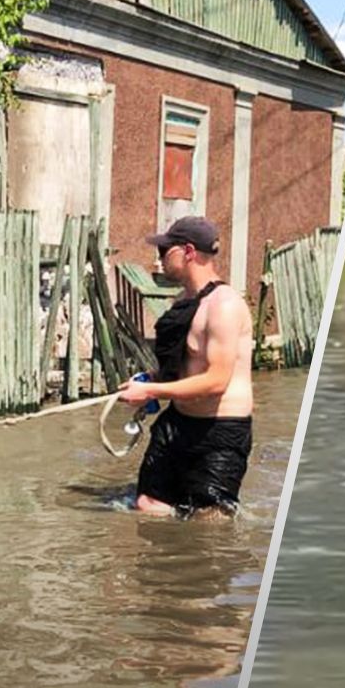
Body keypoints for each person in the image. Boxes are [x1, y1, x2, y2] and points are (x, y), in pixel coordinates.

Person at [116, 216, 255, 517]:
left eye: (165, 250)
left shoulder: (224, 306)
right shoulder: (184, 301)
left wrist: (152, 391)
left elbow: (216, 380)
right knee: (147, 505)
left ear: (188, 252)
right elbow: (187, 364)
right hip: (178, 422)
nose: (159, 258)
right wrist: (150, 380)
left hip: (220, 430)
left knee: (209, 521)